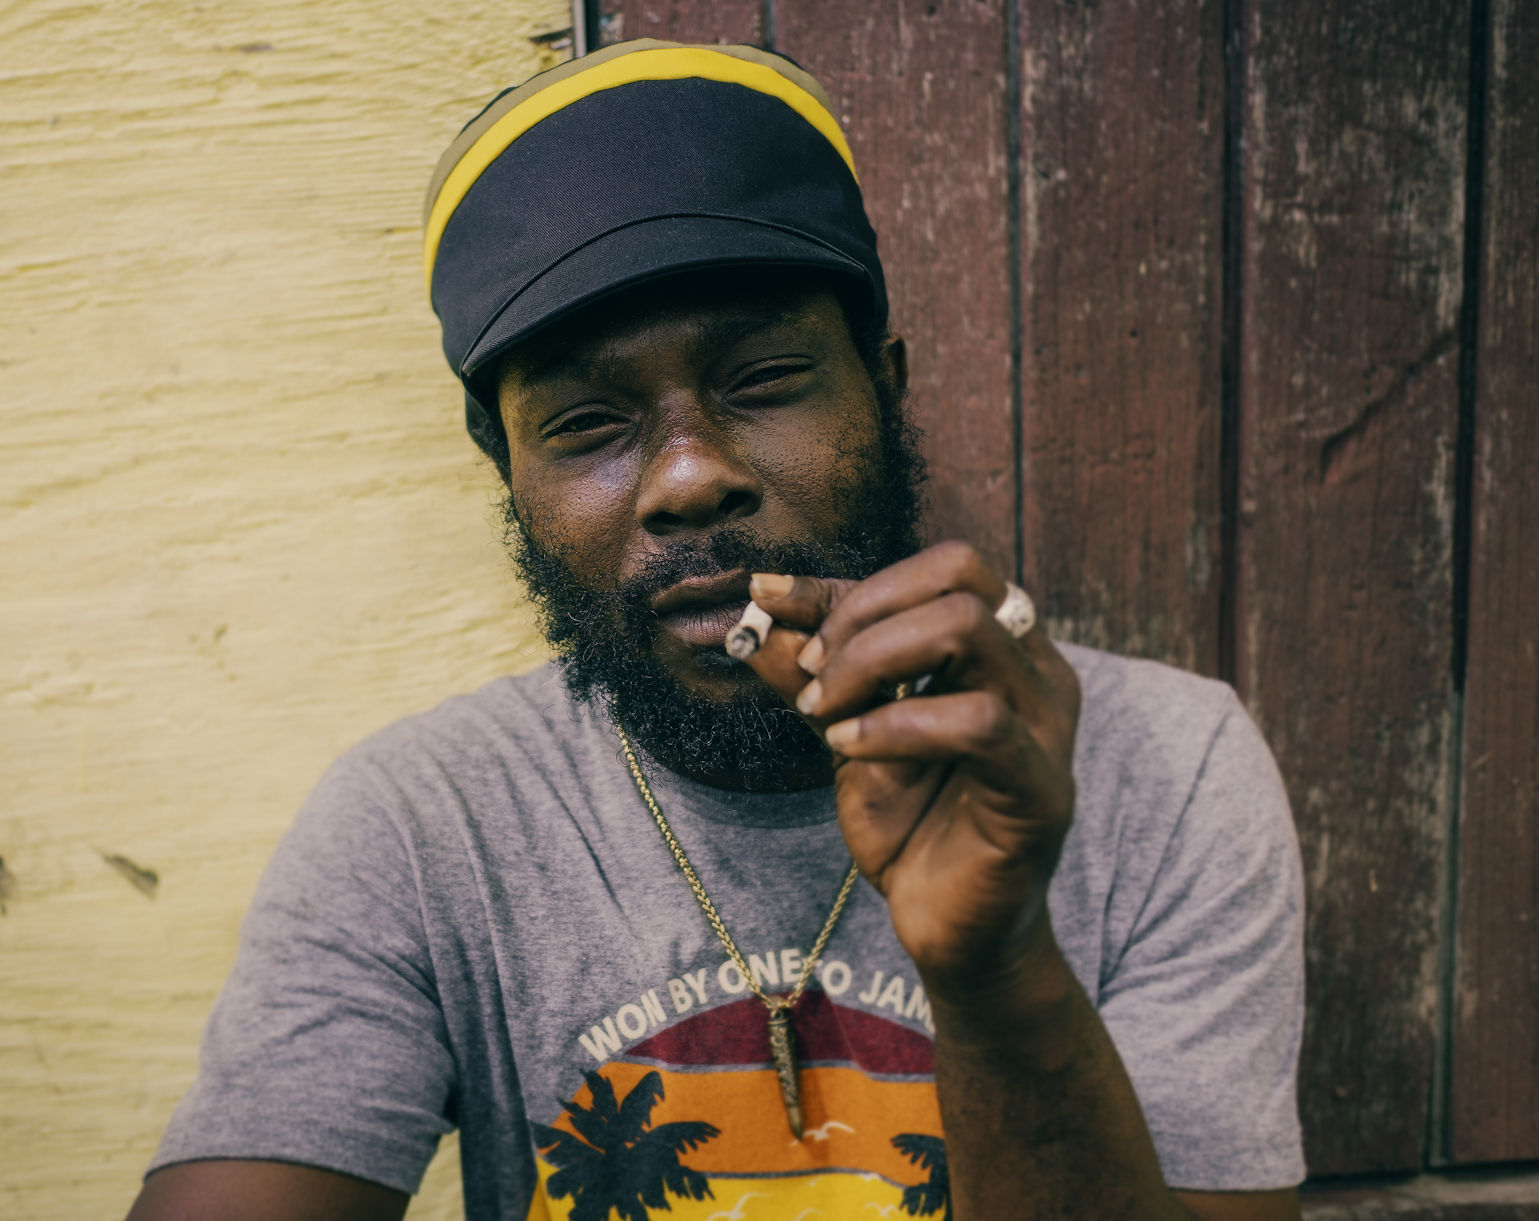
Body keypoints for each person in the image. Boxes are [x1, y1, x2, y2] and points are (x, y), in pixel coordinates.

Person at [127, 40, 1305, 1221]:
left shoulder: (1164, 765)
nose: (689, 479)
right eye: (589, 424)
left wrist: (999, 972)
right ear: (509, 476)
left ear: (885, 390)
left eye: (764, 379)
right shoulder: (421, 824)